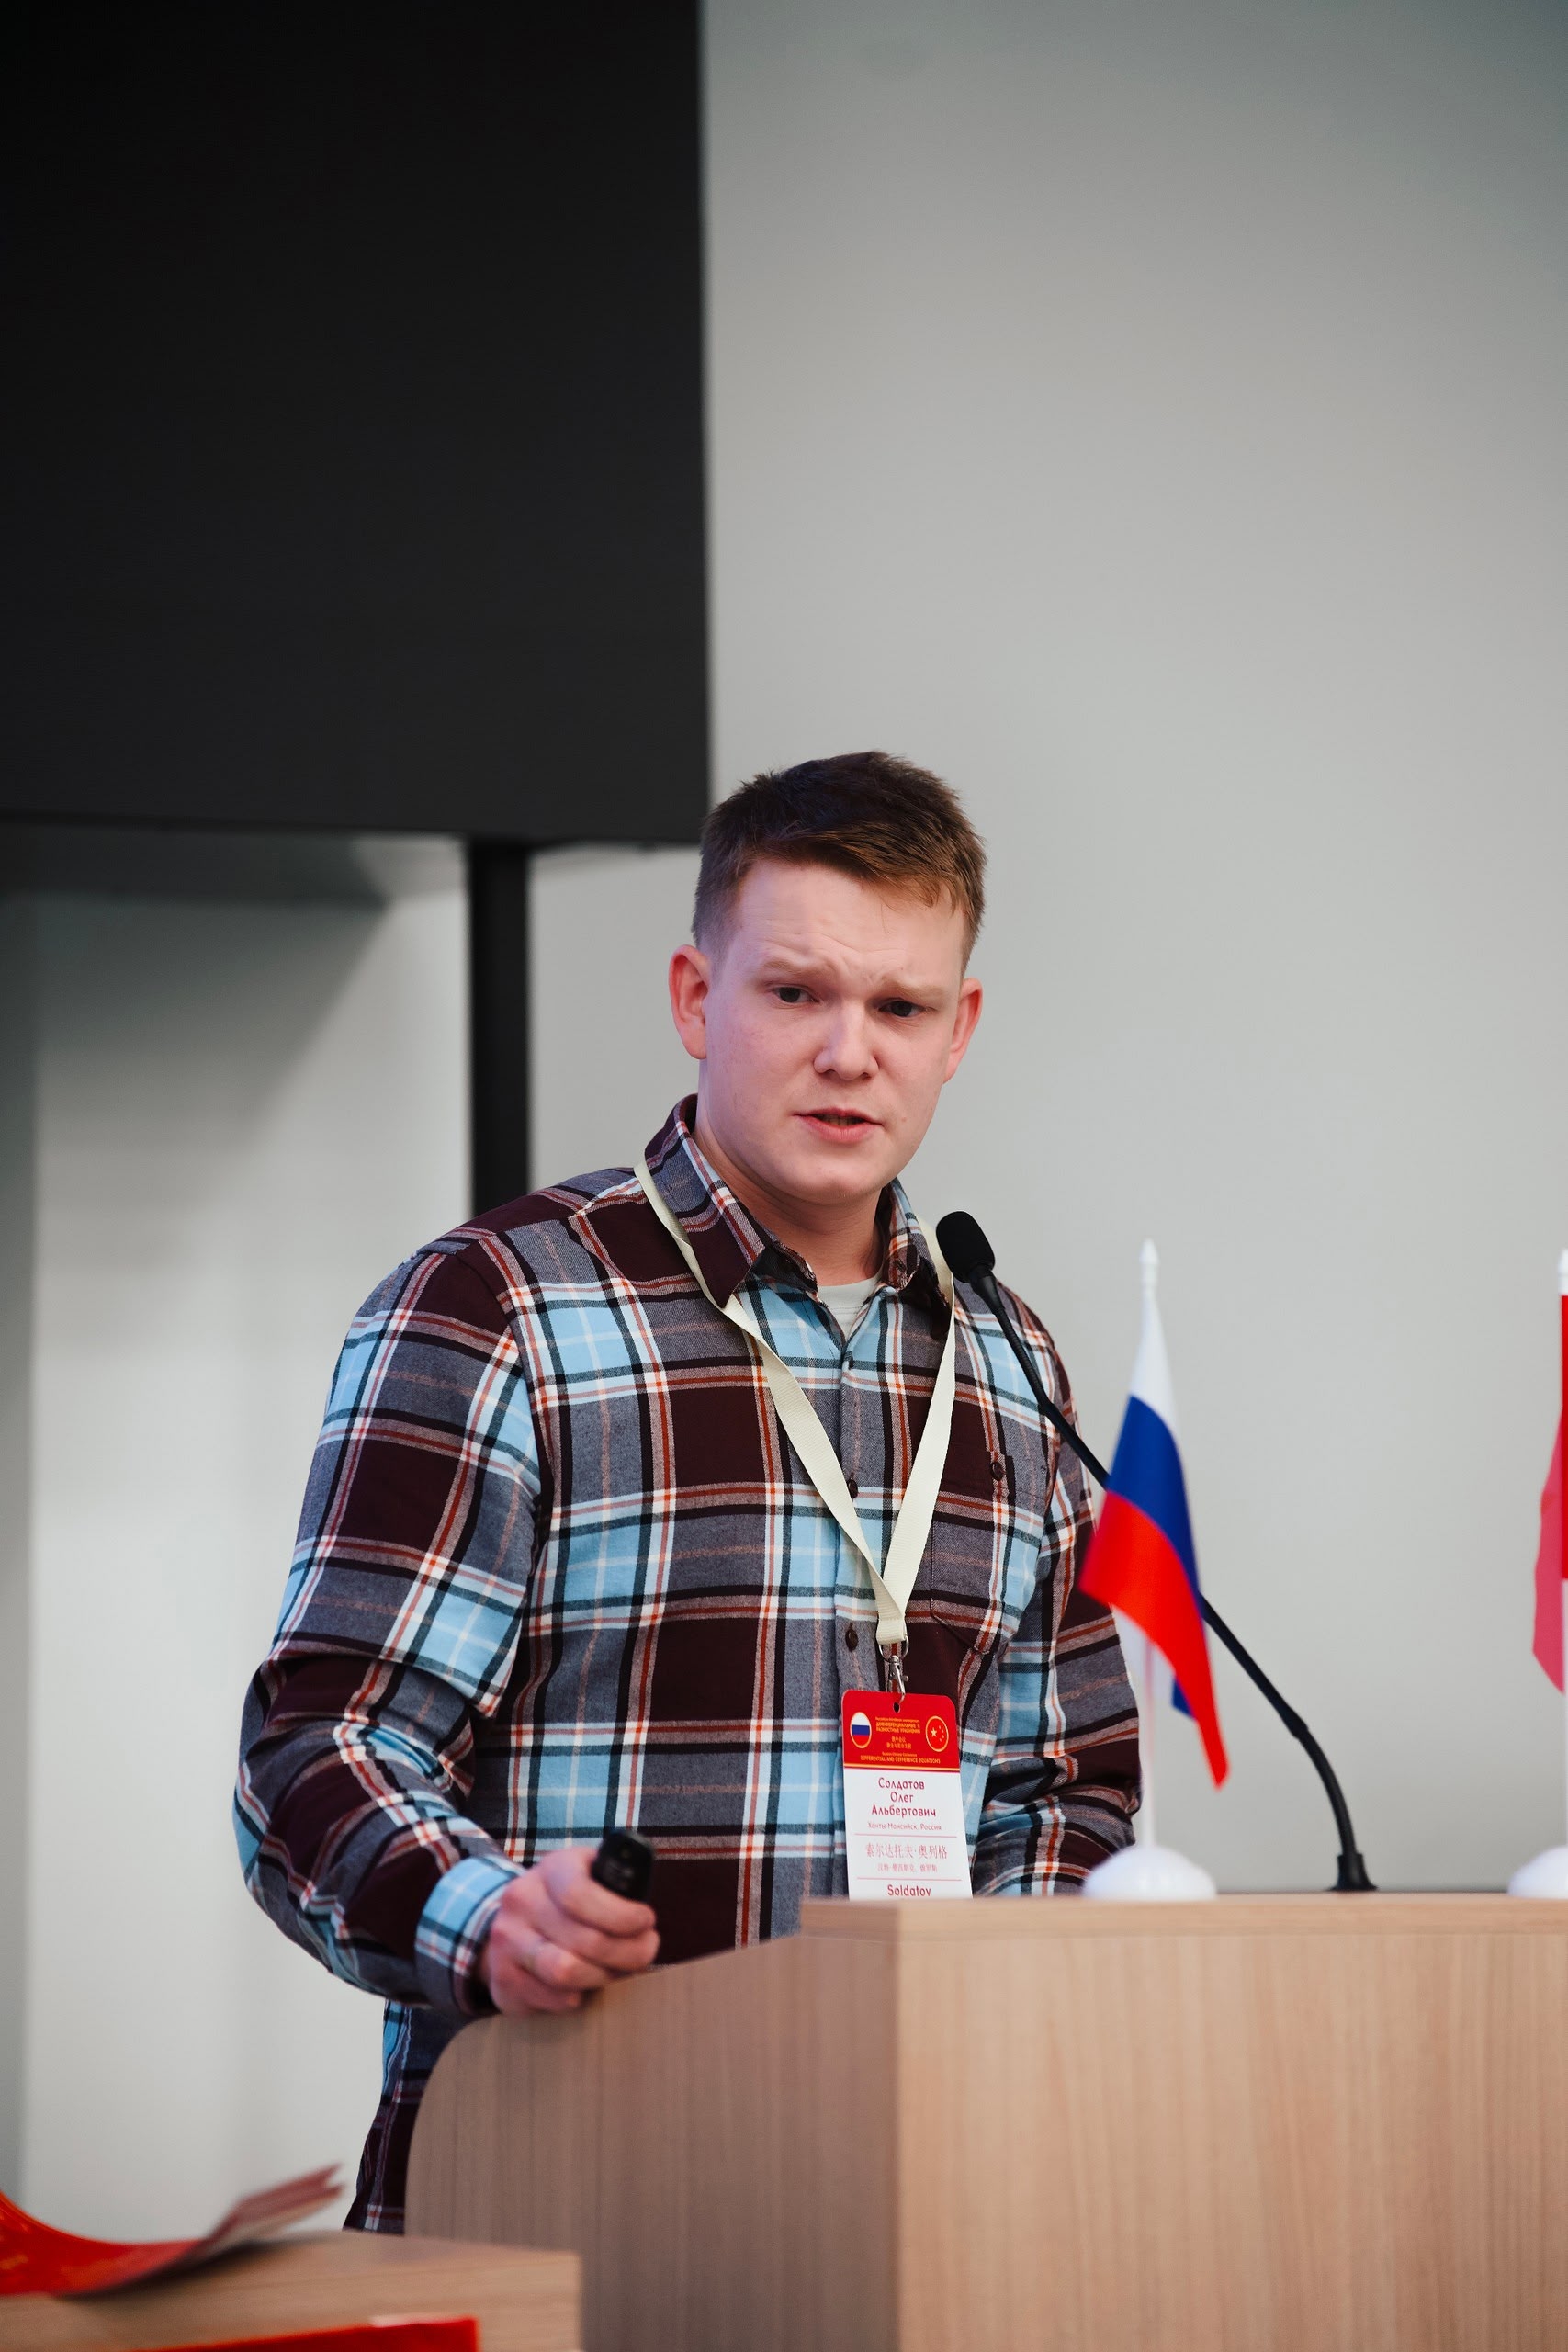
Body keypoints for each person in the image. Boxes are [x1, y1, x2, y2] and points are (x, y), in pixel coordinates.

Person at [235, 751, 1140, 2232]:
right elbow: (314, 1754)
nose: (850, 1052)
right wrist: (489, 1919)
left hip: (921, 2214)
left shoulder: (1007, 1359)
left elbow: (1067, 1782)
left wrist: (1004, 2003)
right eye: (796, 992)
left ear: (959, 1032)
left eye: (900, 1007)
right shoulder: (496, 1308)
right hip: (557, 2193)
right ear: (694, 998)